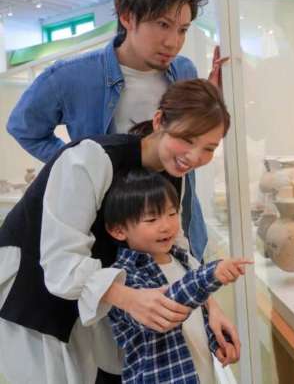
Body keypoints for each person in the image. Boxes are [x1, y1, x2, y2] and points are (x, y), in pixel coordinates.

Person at [0, 80, 238, 384]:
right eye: (187, 139)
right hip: (30, 297)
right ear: (159, 121)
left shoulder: (171, 173)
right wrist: (130, 298)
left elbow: (173, 248)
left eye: (209, 148)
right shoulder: (89, 159)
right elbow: (61, 259)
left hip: (91, 299)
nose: (194, 157)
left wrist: (210, 309)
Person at [6, 0, 228, 260]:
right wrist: (81, 169)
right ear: (127, 17)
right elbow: (24, 128)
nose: (173, 42)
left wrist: (210, 101)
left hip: (176, 226)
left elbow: (186, 138)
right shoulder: (70, 76)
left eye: (183, 29)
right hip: (112, 233)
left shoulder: (183, 70)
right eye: (163, 25)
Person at [103, 168, 251, 384]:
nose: (166, 225)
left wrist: (217, 342)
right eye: (152, 219)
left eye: (172, 213)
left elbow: (193, 318)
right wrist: (211, 274)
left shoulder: (182, 260)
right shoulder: (124, 276)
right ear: (118, 230)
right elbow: (168, 308)